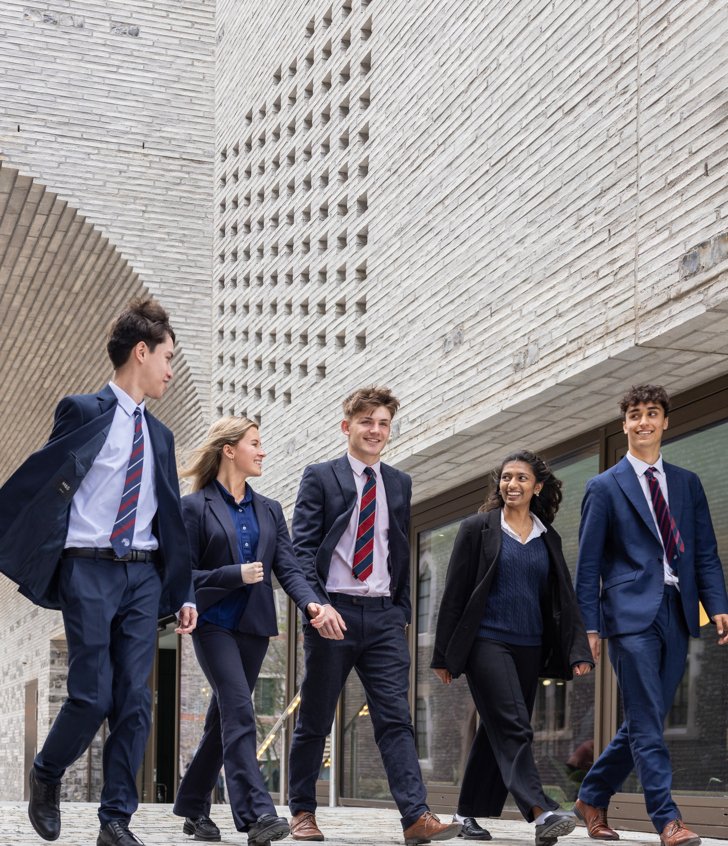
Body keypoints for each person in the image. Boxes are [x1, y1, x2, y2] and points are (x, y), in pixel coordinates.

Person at [0, 298, 197, 846]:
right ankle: (46, 773)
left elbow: (170, 517)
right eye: (167, 357)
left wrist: (181, 590)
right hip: (88, 569)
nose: (170, 370)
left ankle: (115, 821)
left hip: (142, 575)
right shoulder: (83, 411)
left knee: (135, 699)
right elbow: (45, 481)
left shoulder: (161, 437)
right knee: (92, 695)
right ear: (142, 351)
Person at [287, 386, 460, 845]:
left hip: (383, 616)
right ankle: (302, 811)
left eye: (383, 423)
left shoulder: (399, 483)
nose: (375, 431)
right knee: (317, 717)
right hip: (333, 612)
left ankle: (416, 817)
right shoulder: (320, 477)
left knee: (395, 718)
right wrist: (314, 605)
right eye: (367, 422)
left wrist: (401, 610)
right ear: (348, 427)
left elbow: (397, 547)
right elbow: (302, 550)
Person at [172, 417, 341, 846]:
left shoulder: (269, 509)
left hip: (254, 628)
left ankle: (192, 805)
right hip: (212, 625)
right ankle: (257, 813)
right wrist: (233, 574)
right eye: (255, 444)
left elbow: (289, 566)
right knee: (239, 710)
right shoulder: (194, 507)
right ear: (229, 450)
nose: (262, 451)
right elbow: (181, 575)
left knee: (224, 719)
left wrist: (313, 604)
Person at [574, 385, 728, 846]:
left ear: (665, 422)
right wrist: (590, 626)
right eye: (635, 415)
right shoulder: (603, 486)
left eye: (652, 413)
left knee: (647, 717)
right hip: (629, 615)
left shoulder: (687, 483)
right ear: (624, 424)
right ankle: (667, 819)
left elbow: (704, 552)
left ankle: (593, 794)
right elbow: (587, 565)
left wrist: (717, 604)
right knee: (646, 721)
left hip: (678, 611)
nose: (644, 422)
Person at [432, 450, 593, 845]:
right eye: (506, 478)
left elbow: (563, 599)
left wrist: (577, 650)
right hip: (486, 642)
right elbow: (454, 595)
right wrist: (443, 655)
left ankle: (466, 813)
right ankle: (540, 811)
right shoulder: (478, 528)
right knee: (516, 726)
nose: (512, 485)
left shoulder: (546, 536)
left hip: (530, 648)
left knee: (497, 729)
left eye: (521, 478)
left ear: (537, 487)